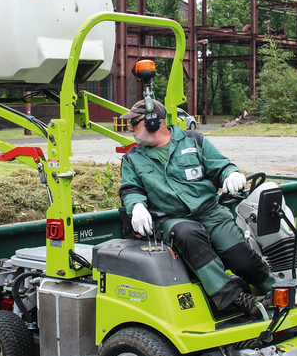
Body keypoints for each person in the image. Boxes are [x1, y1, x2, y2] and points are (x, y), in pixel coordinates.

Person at [118, 98, 277, 317]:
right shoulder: (133, 158)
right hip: (171, 219)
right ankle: (234, 298)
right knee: (189, 233)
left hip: (210, 213)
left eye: (134, 123)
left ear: (153, 122)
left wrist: (231, 174)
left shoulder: (193, 141)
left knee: (242, 258)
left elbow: (221, 165)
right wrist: (136, 207)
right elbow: (130, 189)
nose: (130, 129)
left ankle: (277, 291)